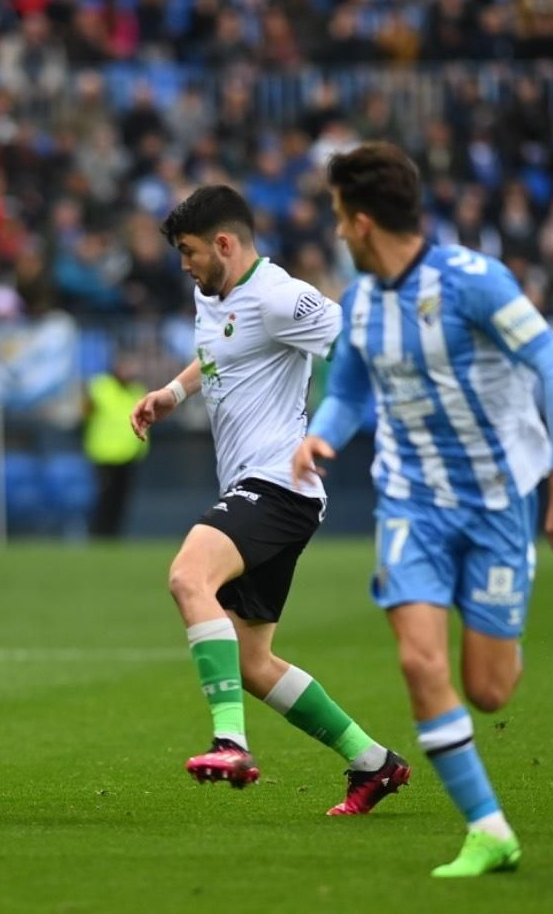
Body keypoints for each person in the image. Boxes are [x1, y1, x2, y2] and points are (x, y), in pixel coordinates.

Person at [293, 142, 553, 878]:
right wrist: (322, 434)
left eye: (339, 217)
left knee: (489, 689)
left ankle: (501, 625)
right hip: (411, 503)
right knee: (417, 660)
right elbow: (350, 391)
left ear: (363, 223)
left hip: (496, 502)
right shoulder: (361, 302)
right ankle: (488, 830)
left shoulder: (473, 283)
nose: (337, 230)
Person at [131, 184, 411, 815]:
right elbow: (220, 352)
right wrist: (172, 393)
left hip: (279, 484)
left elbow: (355, 344)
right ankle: (374, 763)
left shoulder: (281, 296)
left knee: (188, 576)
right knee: (252, 663)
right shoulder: (214, 295)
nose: (184, 264)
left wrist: (334, 424)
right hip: (258, 489)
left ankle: (230, 743)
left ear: (224, 244)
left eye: (189, 251)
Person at [83, 354, 148, 538]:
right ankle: (99, 534)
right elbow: (85, 411)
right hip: (105, 454)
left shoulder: (137, 390)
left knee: (121, 499)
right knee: (105, 498)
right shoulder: (100, 387)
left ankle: (114, 535)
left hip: (129, 454)